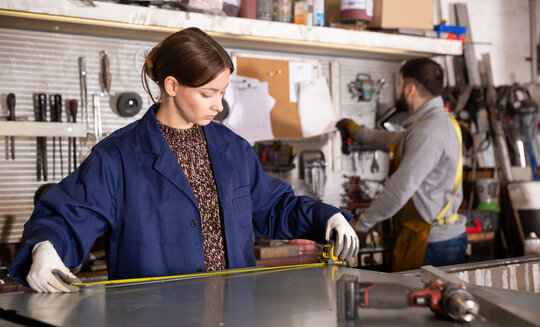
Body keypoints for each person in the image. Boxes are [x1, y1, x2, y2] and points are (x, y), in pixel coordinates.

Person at [9, 27, 358, 293]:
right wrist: (45, 248)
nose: (218, 105)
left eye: (222, 92)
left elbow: (274, 207)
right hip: (154, 322)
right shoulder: (117, 156)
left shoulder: (233, 149)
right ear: (172, 86)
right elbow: (69, 216)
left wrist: (329, 218)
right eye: (208, 93)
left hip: (237, 319)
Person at [337, 57, 467, 272]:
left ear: (410, 89)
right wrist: (358, 132)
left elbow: (399, 190)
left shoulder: (428, 132)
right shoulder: (438, 122)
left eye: (399, 84)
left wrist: (360, 226)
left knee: (420, 305)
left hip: (433, 243)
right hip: (437, 238)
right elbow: (396, 140)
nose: (398, 90)